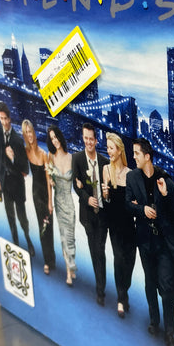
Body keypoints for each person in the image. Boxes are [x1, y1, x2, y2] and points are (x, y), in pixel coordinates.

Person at [126, 138, 174, 346]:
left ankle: (169, 332)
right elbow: (127, 204)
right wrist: (141, 210)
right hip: (144, 241)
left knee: (166, 288)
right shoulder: (132, 177)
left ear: (147, 156)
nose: (134, 157)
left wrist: (166, 195)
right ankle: (154, 321)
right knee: (150, 283)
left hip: (164, 244)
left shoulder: (166, 179)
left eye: (137, 153)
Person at [72, 123, 109, 306]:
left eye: (91, 139)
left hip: (102, 215)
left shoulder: (105, 162)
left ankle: (101, 288)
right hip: (87, 215)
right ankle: (100, 287)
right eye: (85, 138)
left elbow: (109, 187)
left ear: (96, 140)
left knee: (100, 250)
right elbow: (76, 185)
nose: (88, 142)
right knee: (94, 251)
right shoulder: (77, 159)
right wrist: (87, 198)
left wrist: (106, 193)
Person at [101, 133, 136, 318]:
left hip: (129, 225)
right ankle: (121, 299)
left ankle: (124, 290)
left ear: (120, 150)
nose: (109, 151)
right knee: (119, 259)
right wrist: (105, 195)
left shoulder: (131, 175)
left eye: (111, 148)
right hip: (114, 224)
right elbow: (106, 201)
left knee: (130, 262)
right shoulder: (106, 170)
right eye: (107, 148)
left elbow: (134, 203)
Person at [0, 102, 34, 255]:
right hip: (4, 183)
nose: (3, 122)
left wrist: (13, 158)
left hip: (17, 185)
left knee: (22, 218)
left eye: (5, 119)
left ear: (10, 119)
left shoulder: (17, 140)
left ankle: (28, 240)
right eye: (1, 119)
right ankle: (16, 243)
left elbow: (25, 169)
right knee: (10, 216)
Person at [22, 120, 56, 275]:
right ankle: (47, 261)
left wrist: (50, 202)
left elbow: (49, 180)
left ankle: (52, 259)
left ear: (34, 133)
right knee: (42, 227)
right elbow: (23, 170)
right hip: (35, 194)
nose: (29, 135)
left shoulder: (43, 154)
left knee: (49, 227)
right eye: (26, 133)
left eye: (30, 131)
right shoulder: (25, 151)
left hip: (45, 194)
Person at [46, 126, 76, 285]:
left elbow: (77, 180)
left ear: (60, 137)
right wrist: (49, 202)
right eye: (52, 138)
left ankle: (72, 264)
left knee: (71, 237)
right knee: (64, 237)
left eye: (56, 137)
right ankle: (69, 272)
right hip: (58, 201)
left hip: (69, 202)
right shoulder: (50, 157)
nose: (54, 140)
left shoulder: (71, 158)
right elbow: (48, 181)